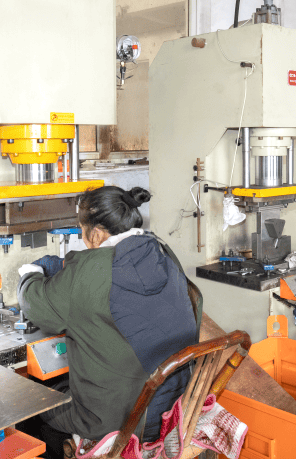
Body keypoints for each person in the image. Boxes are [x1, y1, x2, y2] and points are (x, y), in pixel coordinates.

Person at [16, 186, 198, 444]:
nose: (83, 240)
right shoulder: (161, 251)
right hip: (174, 408)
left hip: (120, 422)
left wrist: (30, 273)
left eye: (82, 232)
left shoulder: (90, 271)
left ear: (96, 234)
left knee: (33, 401)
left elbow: (36, 305)